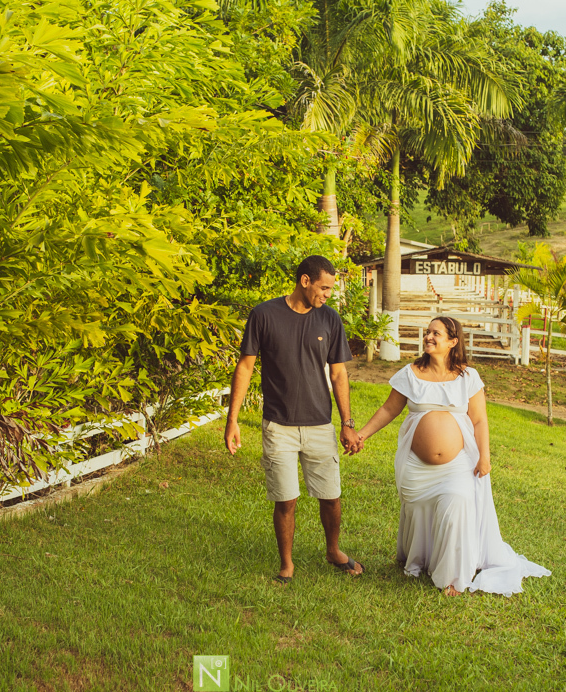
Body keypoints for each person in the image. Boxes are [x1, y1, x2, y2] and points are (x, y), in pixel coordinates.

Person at [354, 315, 551, 596]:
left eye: (436, 333)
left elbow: (480, 421)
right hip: (416, 467)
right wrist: (361, 434)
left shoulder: (468, 377)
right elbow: (388, 410)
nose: (428, 337)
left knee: (457, 503)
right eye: (427, 332)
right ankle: (418, 559)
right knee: (417, 511)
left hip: (458, 465)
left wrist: (485, 456)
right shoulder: (410, 374)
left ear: (452, 342)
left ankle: (453, 578)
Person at [224, 255, 364, 583]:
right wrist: (232, 419)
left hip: (319, 424)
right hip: (279, 425)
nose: (328, 294)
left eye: (331, 288)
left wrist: (347, 422)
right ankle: (286, 564)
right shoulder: (264, 315)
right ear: (305, 281)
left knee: (330, 495)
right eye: (324, 287)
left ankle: (333, 550)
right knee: (285, 499)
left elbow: (339, 373)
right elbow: (245, 368)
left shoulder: (330, 320)